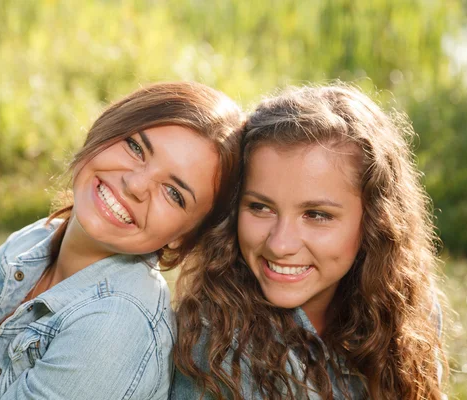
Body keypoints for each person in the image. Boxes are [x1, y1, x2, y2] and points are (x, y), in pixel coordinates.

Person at [0, 81, 244, 400]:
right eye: (135, 147)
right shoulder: (33, 242)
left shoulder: (116, 324)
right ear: (106, 129)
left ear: (185, 238)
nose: (134, 184)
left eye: (173, 193)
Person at [171, 84, 448, 399]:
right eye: (260, 207)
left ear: (375, 221)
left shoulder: (406, 310)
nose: (279, 244)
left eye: (316, 214)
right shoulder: (219, 348)